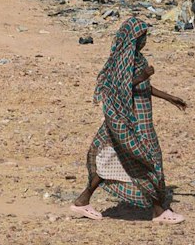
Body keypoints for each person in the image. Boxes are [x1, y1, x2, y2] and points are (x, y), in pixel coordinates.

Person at [73, 16, 187, 223]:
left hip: (138, 118)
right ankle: (159, 211)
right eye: (142, 36)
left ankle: (82, 201)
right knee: (148, 159)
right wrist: (142, 76)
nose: (145, 40)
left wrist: (170, 98)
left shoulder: (137, 58)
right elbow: (120, 86)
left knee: (110, 160)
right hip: (126, 121)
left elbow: (143, 88)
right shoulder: (122, 60)